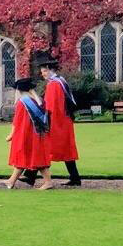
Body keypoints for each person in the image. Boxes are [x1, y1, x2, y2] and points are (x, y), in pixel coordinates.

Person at [37, 57, 81, 186]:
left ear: (51, 70)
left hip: (57, 121)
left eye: (45, 71)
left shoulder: (54, 84)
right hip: (64, 120)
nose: (43, 74)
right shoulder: (61, 81)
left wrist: (46, 123)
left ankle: (30, 175)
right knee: (67, 150)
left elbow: (50, 107)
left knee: (44, 148)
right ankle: (75, 178)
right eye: (42, 71)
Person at [3, 78, 53, 190]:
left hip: (28, 135)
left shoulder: (23, 102)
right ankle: (11, 181)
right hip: (38, 134)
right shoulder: (37, 100)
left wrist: (11, 135)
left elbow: (17, 121)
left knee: (35, 158)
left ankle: (48, 182)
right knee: (27, 157)